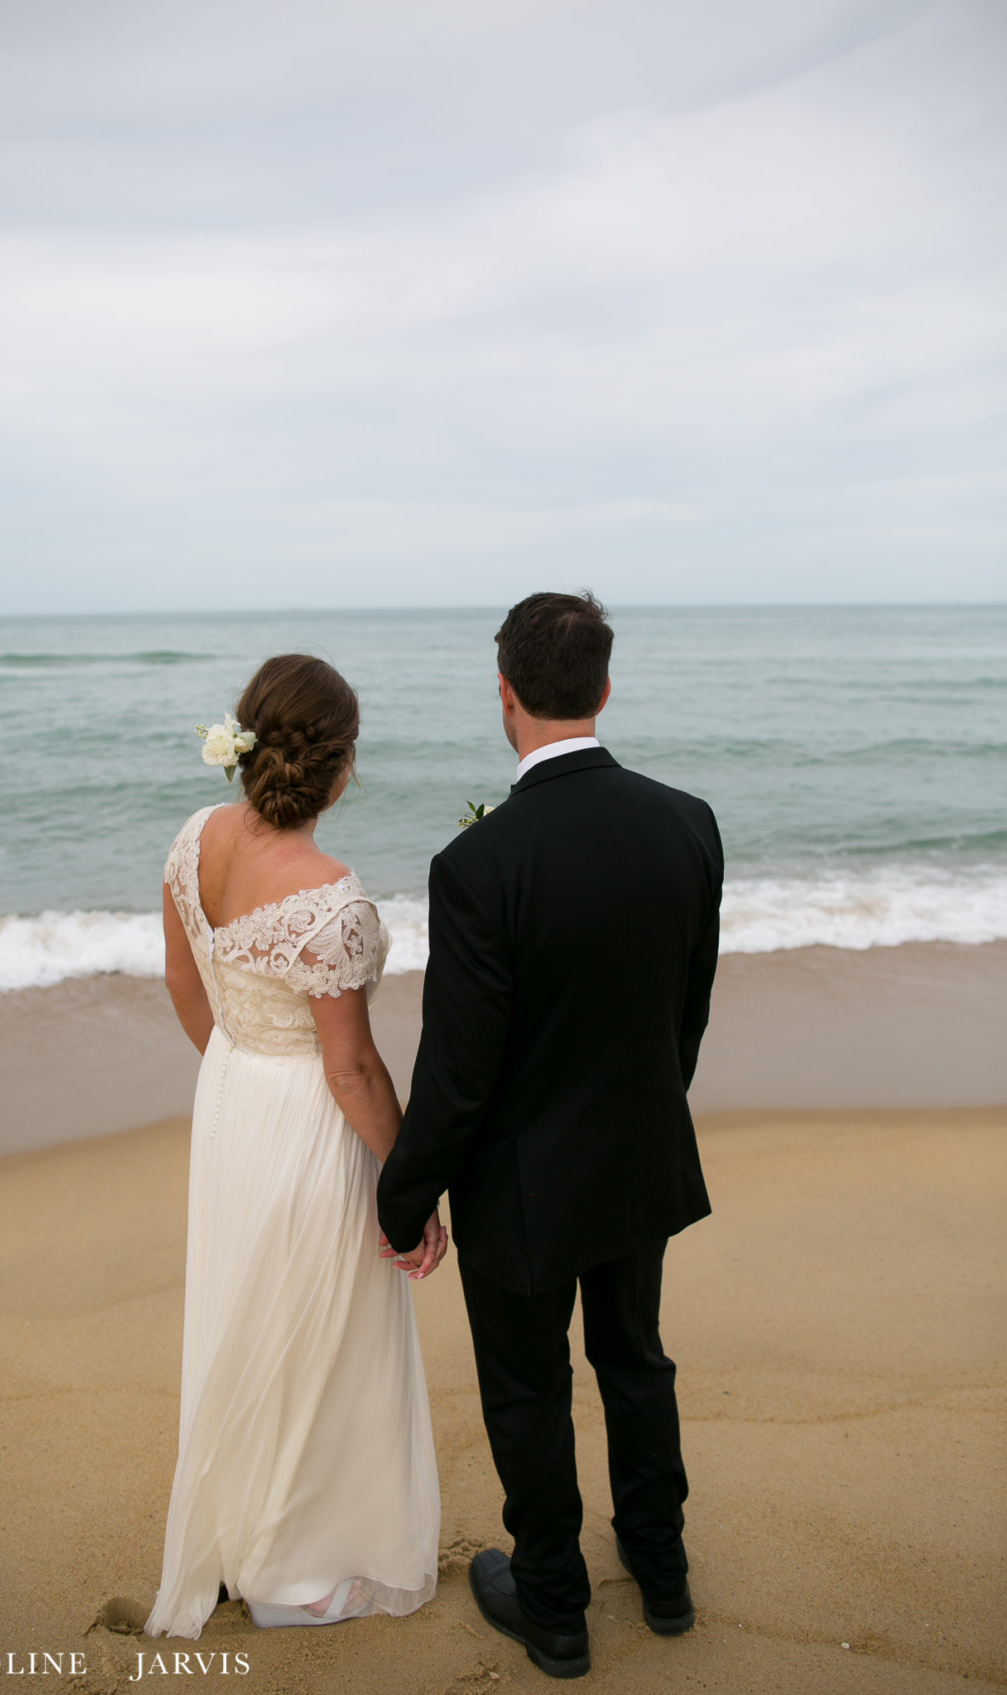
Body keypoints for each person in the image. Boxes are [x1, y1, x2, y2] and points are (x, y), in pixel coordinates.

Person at [377, 592, 723, 1679]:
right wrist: (648, 1112)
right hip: (639, 1156)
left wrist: (404, 1192)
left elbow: (458, 1069)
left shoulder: (478, 864)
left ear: (505, 695)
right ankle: (661, 1576)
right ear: (604, 692)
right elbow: (686, 1010)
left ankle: (554, 1609)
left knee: (527, 1390)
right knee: (635, 1360)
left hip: (522, 1187)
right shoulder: (687, 821)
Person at [146, 654, 444, 1642]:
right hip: (307, 1122)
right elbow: (351, 1069)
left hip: (229, 1092)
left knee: (247, 1312)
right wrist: (412, 1186)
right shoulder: (331, 900)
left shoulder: (193, 841)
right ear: (340, 766)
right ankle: (295, 1572)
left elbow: (185, 985)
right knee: (314, 1334)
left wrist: (241, 1066)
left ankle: (243, 1536)